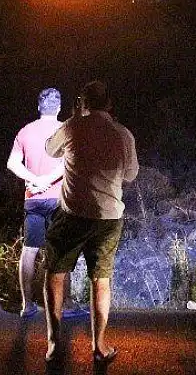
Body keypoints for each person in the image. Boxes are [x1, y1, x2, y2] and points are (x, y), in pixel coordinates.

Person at [43, 80, 140, 366]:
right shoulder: (123, 134)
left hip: (72, 214)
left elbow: (50, 150)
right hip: (109, 217)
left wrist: (74, 119)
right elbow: (131, 175)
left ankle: (53, 344)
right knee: (101, 280)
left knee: (55, 272)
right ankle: (99, 346)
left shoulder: (73, 127)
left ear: (82, 103)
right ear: (109, 104)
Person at [6, 87, 67, 318]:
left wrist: (34, 180)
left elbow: (12, 163)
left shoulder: (25, 131)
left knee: (29, 250)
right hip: (58, 200)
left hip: (33, 199)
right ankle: (63, 305)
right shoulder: (65, 131)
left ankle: (27, 305)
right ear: (59, 108)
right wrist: (46, 180)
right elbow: (67, 164)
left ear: (39, 107)